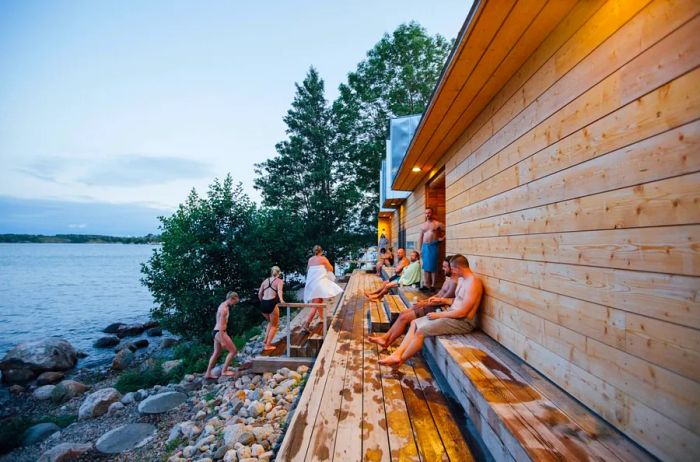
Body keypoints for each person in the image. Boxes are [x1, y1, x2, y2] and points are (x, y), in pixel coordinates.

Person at [378, 254, 482, 368]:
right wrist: (442, 299)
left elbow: (464, 312)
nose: (452, 272)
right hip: (452, 314)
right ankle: (396, 354)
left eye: (452, 269)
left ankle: (400, 359)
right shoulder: (463, 280)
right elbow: (457, 301)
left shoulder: (474, 283)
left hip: (463, 321)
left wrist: (439, 315)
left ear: (459, 268)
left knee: (421, 330)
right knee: (414, 323)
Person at [369, 257, 457, 348]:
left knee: (404, 318)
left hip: (438, 309)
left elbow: (441, 301)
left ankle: (387, 342)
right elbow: (438, 295)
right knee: (402, 314)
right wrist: (425, 300)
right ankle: (385, 337)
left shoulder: (454, 283)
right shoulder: (449, 281)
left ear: (453, 268)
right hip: (431, 304)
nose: (443, 269)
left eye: (445, 267)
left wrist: (424, 304)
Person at [302, 245, 344, 332]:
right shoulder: (323, 259)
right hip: (319, 284)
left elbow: (308, 270)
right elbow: (331, 268)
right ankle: (307, 323)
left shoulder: (310, 260)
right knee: (316, 304)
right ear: (321, 251)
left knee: (319, 301)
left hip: (312, 284)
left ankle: (322, 319)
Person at [204, 291, 240, 379]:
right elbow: (220, 324)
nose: (234, 304)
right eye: (235, 302)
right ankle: (224, 371)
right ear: (232, 298)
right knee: (233, 351)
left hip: (215, 332)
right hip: (220, 332)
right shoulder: (224, 309)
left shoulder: (222, 305)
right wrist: (223, 339)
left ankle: (208, 373)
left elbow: (218, 322)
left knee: (216, 352)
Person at [418, 207, 445, 292]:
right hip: (425, 246)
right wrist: (420, 250)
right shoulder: (423, 225)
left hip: (433, 245)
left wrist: (442, 238)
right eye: (426, 213)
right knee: (425, 266)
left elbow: (447, 229)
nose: (427, 215)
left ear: (432, 214)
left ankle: (433, 285)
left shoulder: (437, 224)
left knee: (433, 266)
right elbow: (420, 238)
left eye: (429, 213)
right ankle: (426, 284)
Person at [258, 266, 284, 352]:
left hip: (263, 304)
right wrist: (281, 300)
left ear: (271, 272)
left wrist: (262, 301)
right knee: (274, 325)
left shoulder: (265, 280)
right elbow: (280, 291)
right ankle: (268, 345)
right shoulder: (279, 281)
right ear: (279, 273)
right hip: (271, 303)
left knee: (270, 322)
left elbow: (259, 293)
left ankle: (265, 340)